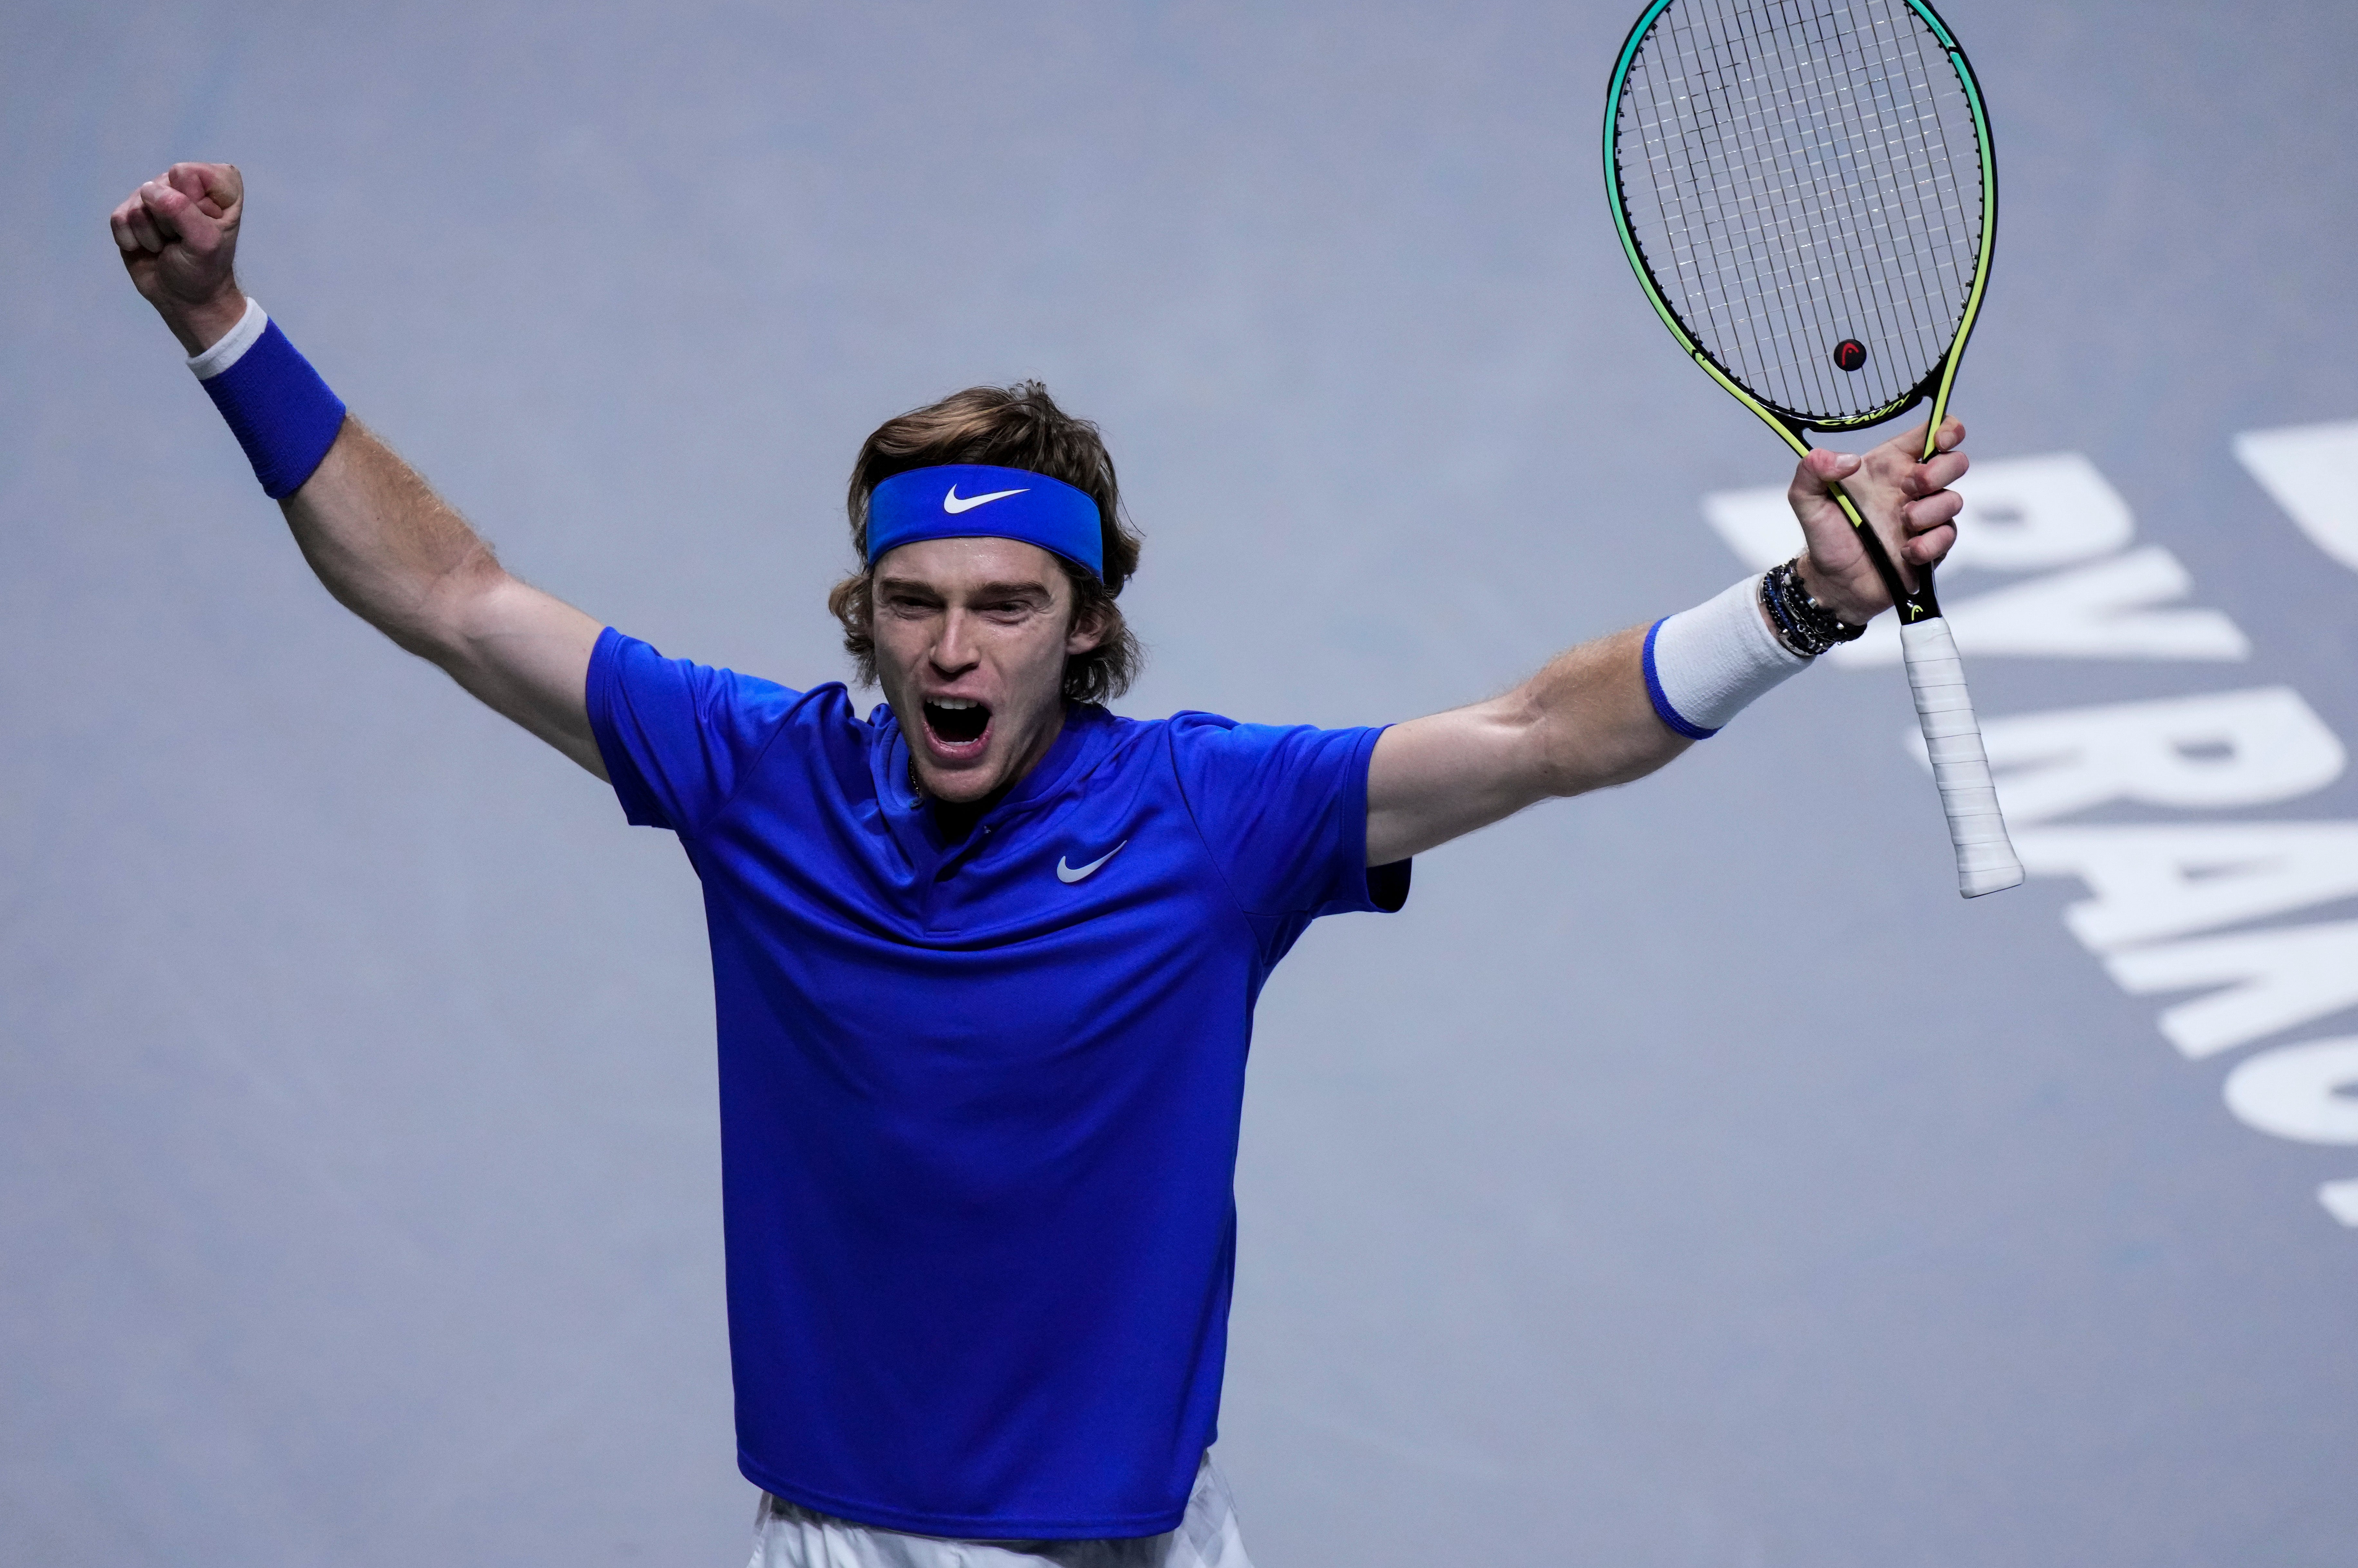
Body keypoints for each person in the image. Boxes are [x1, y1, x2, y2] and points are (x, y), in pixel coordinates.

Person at [111, 161, 1967, 1568]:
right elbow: (441, 592)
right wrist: (225, 330)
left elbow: (1539, 737)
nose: (952, 649)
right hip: (849, 1540)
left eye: (1007, 607)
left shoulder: (1211, 824)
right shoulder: (752, 779)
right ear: (863, 613)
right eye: (912, 603)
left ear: (1085, 629)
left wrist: (1797, 600)